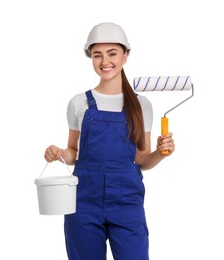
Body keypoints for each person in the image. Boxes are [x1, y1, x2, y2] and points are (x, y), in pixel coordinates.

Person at [44, 22, 175, 260]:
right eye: (97, 55)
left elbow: (141, 159)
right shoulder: (79, 103)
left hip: (127, 202)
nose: (105, 61)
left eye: (112, 53)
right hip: (84, 203)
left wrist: (160, 152)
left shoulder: (141, 104)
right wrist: (60, 153)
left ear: (125, 56)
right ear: (91, 58)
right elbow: (74, 151)